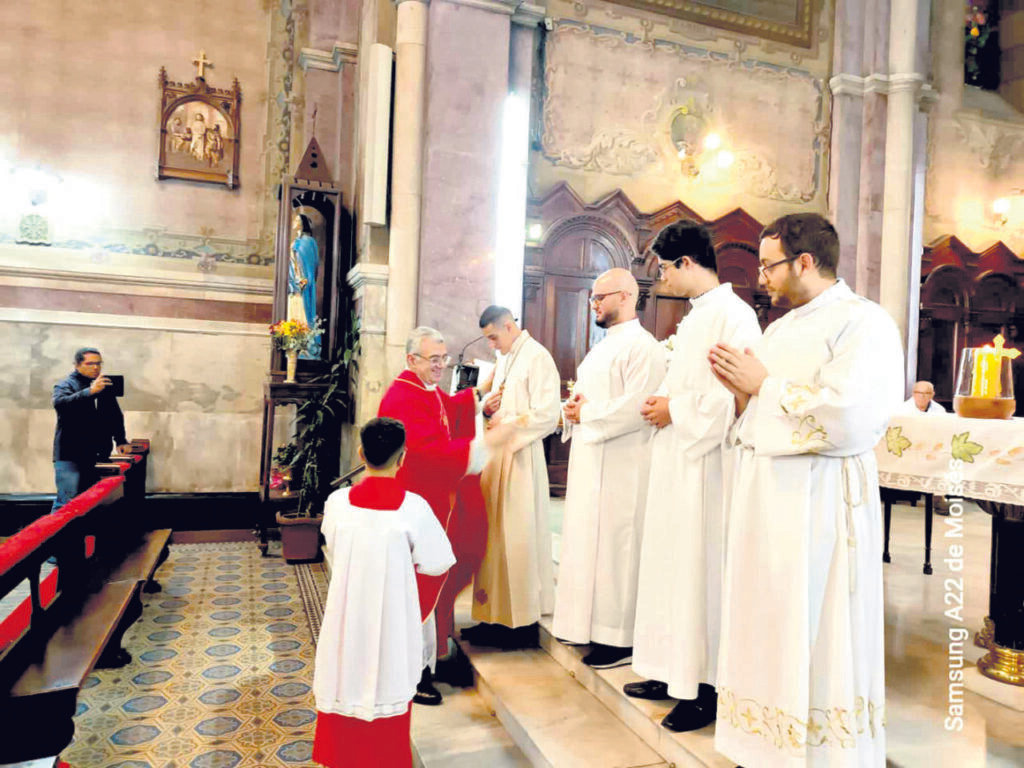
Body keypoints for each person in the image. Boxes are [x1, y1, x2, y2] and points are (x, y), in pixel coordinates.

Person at [709, 213, 902, 767]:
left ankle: (820, 752)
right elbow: (757, 412)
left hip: (821, 503)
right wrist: (742, 395)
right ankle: (767, 745)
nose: (762, 278)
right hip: (767, 498)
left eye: (769, 265)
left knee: (817, 625)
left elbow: (852, 417)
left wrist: (762, 387)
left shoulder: (864, 323)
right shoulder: (780, 328)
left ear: (804, 262)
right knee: (768, 618)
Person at [627, 221, 761, 732]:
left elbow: (737, 397)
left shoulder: (734, 316)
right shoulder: (698, 315)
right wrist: (665, 402)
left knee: (698, 574)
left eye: (663, 268)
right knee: (668, 568)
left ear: (685, 262)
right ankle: (668, 671)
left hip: (707, 469)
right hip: (677, 464)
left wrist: (674, 410)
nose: (660, 279)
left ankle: (704, 687)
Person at [378, 327, 511, 704]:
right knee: (418, 587)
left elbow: (445, 410)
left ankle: (430, 659)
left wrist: (477, 401)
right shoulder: (402, 396)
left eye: (443, 358)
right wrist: (482, 446)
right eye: (434, 359)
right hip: (417, 504)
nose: (441, 366)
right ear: (412, 360)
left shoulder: (422, 388)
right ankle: (414, 674)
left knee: (435, 581)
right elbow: (423, 452)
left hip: (433, 503)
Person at [312, 418, 455, 768]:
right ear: (402, 458)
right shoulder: (415, 509)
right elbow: (437, 565)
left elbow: (333, 541)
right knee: (386, 681)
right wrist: (411, 611)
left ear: (361, 453)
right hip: (390, 621)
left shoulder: (337, 502)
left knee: (344, 678)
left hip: (346, 617)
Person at [554, 267, 667, 669]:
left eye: (600, 297)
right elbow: (588, 398)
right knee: (588, 545)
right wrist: (573, 410)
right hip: (591, 461)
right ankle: (585, 625)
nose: (594, 304)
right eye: (593, 298)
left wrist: (590, 413)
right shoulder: (601, 347)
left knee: (618, 548)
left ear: (625, 296)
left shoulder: (645, 348)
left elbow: (640, 407)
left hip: (625, 464)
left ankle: (618, 639)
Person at [461, 306, 561, 649]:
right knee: (491, 539)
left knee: (516, 539)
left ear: (508, 325)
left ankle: (518, 625)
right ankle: (491, 618)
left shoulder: (538, 357)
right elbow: (495, 401)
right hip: (495, 455)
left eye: (493, 337)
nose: (492, 346)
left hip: (519, 457)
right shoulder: (505, 358)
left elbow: (548, 414)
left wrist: (510, 426)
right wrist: (488, 409)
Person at [51, 348, 129, 513]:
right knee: (65, 503)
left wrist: (121, 440)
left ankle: (79, 538)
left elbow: (114, 415)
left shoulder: (103, 386)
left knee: (88, 502)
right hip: (69, 454)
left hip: (95, 454)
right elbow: (61, 405)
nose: (96, 368)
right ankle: (57, 539)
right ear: (77, 365)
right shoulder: (66, 384)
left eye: (98, 363)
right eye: (90, 363)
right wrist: (90, 392)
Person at [288, 213, 321, 359]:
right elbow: (292, 263)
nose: (294, 222)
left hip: (304, 283)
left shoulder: (308, 242)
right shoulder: (295, 241)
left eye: (297, 220)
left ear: (303, 223)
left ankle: (308, 346)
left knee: (305, 310)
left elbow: (311, 263)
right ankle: (295, 345)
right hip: (293, 283)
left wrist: (304, 279)